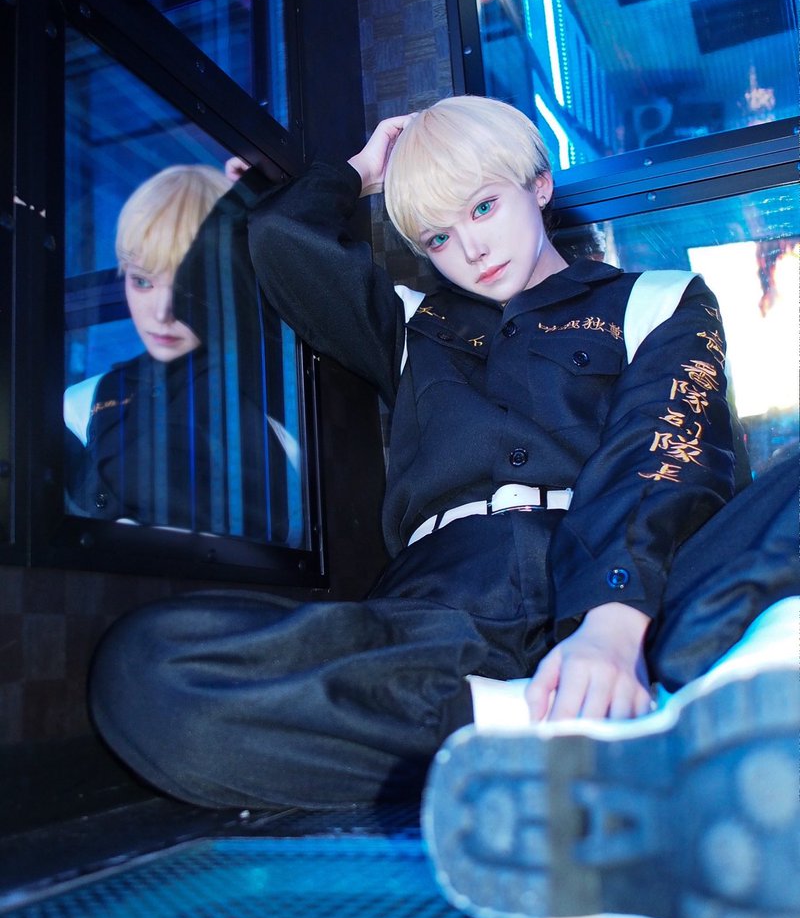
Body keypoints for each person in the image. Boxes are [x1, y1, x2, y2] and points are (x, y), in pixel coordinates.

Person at [88, 94, 796, 809]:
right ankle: (556, 725)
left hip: (639, 589)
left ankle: (602, 713)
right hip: (446, 612)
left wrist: (610, 631)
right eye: (437, 237)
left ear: (539, 185)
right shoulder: (409, 325)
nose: (472, 250)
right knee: (144, 671)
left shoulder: (659, 299)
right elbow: (260, 249)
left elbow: (663, 452)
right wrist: (359, 173)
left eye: (483, 207)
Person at [64, 164, 304, 545]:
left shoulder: (278, 384)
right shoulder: (83, 403)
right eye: (142, 281)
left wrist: (255, 195)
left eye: (190, 286)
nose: (162, 312)